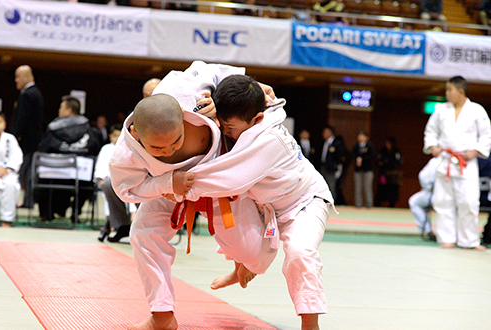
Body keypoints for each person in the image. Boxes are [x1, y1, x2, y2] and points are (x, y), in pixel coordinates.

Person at [110, 61, 278, 330]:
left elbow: (211, 68)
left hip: (219, 180)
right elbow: (126, 190)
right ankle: (162, 315)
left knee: (253, 256)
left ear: (183, 116)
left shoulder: (184, 88)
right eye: (157, 147)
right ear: (135, 134)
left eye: (176, 141)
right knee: (143, 234)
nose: (168, 151)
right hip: (167, 189)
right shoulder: (124, 155)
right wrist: (167, 182)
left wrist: (252, 88)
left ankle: (241, 261)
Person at [179, 75, 334, 330]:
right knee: (235, 231)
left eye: (230, 128)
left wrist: (177, 186)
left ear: (257, 119)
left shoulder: (267, 138)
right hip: (264, 203)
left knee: (299, 251)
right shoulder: (247, 109)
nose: (226, 133)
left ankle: (310, 324)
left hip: (303, 203)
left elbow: (229, 179)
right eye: (223, 126)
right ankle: (241, 264)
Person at [424, 75, 491, 250]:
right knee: (443, 202)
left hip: (466, 163)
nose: (447, 93)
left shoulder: (477, 110)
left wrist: (475, 150)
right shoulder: (441, 111)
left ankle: (470, 241)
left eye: (449, 90)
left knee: (469, 203)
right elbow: (430, 131)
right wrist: (433, 146)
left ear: (461, 91)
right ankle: (447, 238)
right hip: (445, 161)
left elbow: (486, 135)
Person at [37, 95, 102, 221]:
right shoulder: (89, 130)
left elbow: (43, 149)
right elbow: (95, 149)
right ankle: (76, 212)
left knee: (44, 173)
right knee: (87, 175)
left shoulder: (52, 129)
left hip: (54, 175)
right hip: (81, 177)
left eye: (61, 107)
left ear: (69, 110)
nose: (59, 111)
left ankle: (46, 213)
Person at [94, 124, 135, 242]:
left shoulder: (129, 147)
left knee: (131, 187)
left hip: (132, 180)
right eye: (115, 135)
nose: (117, 138)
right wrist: (102, 180)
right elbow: (100, 170)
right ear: (110, 137)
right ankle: (121, 225)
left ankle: (109, 228)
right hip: (113, 181)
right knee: (107, 185)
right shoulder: (106, 149)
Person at [11, 65, 44, 209]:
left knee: (23, 172)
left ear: (25, 77)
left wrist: (14, 137)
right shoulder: (35, 93)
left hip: (26, 142)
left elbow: (22, 119)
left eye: (18, 77)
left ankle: (25, 201)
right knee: (29, 172)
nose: (16, 80)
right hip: (34, 141)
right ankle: (29, 201)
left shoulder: (28, 94)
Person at [408, 157, 441, 242]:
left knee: (415, 202)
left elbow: (424, 178)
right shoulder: (436, 160)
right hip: (433, 192)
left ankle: (429, 231)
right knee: (414, 201)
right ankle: (428, 230)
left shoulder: (437, 161)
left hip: (440, 194)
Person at [319, 126, 347, 201]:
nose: (324, 134)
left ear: (330, 133)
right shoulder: (322, 142)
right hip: (322, 166)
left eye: (325, 132)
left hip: (332, 168)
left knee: (331, 185)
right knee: (321, 185)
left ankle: (331, 202)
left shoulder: (337, 143)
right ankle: (322, 202)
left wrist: (336, 165)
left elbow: (340, 155)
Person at [375, 137, 403, 208]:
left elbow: (400, 162)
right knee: (382, 188)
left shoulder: (396, 152)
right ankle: (379, 204)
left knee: (392, 190)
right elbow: (378, 161)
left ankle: (391, 204)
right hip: (383, 173)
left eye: (388, 143)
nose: (387, 145)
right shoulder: (383, 151)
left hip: (392, 174)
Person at [352, 130, 375, 208]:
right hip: (358, 170)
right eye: (359, 136)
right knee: (358, 187)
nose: (360, 137)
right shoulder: (356, 146)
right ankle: (358, 204)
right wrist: (357, 159)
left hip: (368, 170)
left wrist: (362, 159)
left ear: (366, 137)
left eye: (362, 136)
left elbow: (372, 155)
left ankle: (369, 204)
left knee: (367, 187)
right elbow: (352, 155)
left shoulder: (369, 146)